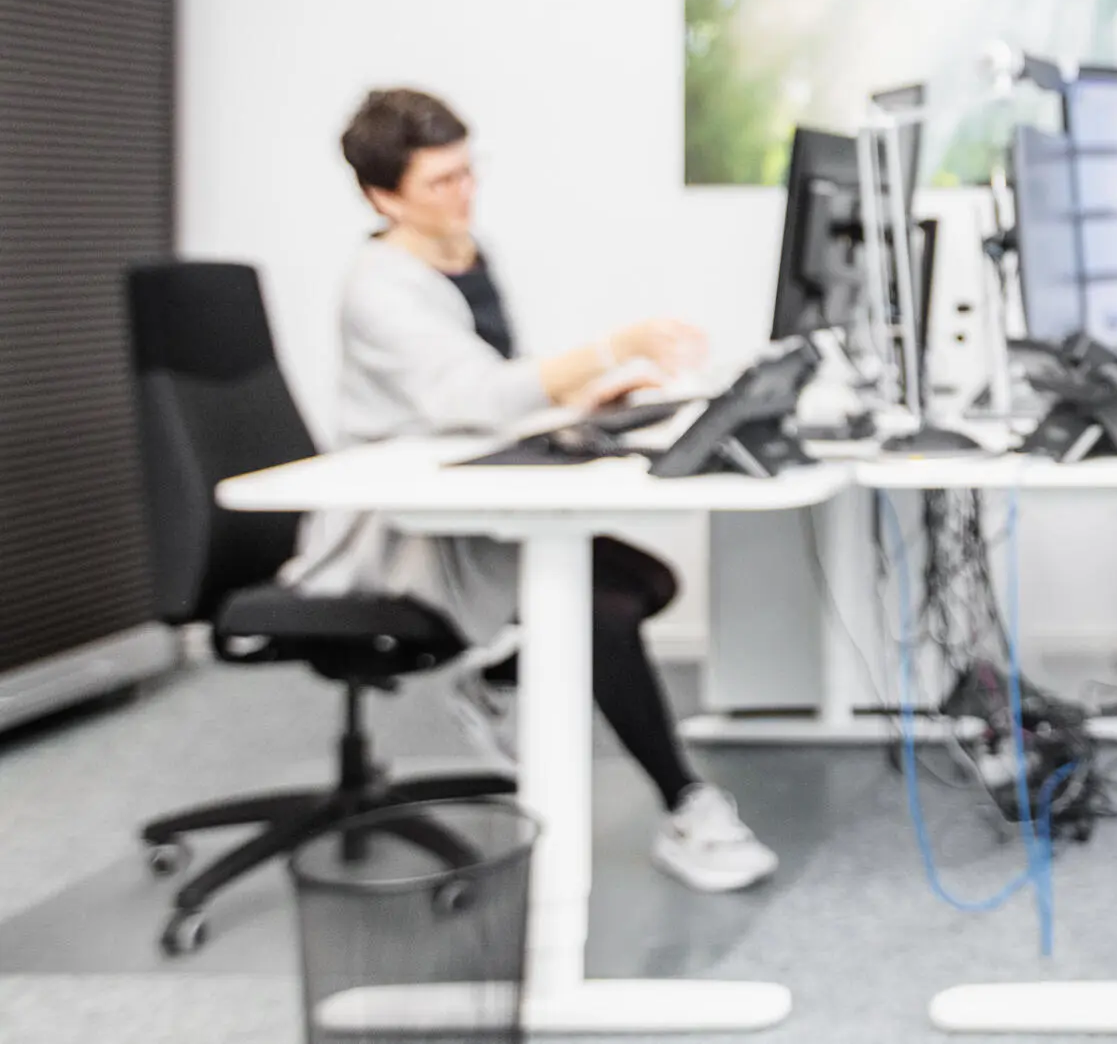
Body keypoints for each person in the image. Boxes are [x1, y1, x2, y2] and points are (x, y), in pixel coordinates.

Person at [281, 88, 779, 894]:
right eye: (440, 182)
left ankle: (495, 676)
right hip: (397, 535)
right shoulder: (378, 287)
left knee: (648, 581)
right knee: (599, 608)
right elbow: (470, 397)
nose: (463, 193)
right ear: (383, 197)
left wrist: (590, 401)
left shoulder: (470, 254)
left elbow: (494, 390)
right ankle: (687, 807)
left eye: (467, 172)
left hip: (467, 497)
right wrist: (611, 347)